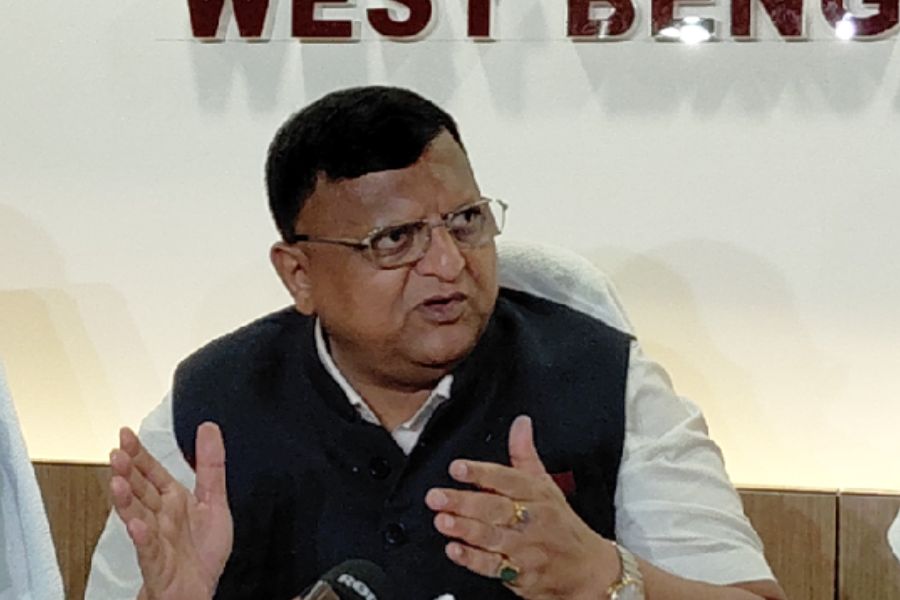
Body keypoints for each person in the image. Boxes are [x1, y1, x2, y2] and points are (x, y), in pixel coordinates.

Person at [87, 86, 786, 600]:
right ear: (299, 274)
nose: (449, 265)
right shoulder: (208, 412)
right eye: (395, 240)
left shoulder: (605, 378)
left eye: (466, 222)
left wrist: (604, 576)